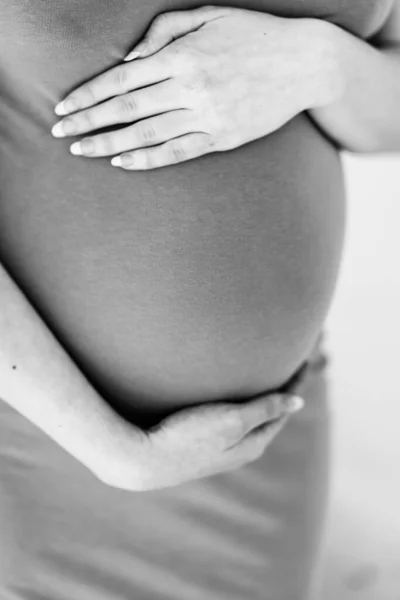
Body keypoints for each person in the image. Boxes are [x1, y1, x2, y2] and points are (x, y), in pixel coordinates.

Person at [0, 1, 398, 598]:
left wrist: (326, 62)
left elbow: (388, 119)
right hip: (41, 435)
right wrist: (113, 450)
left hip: (256, 440)